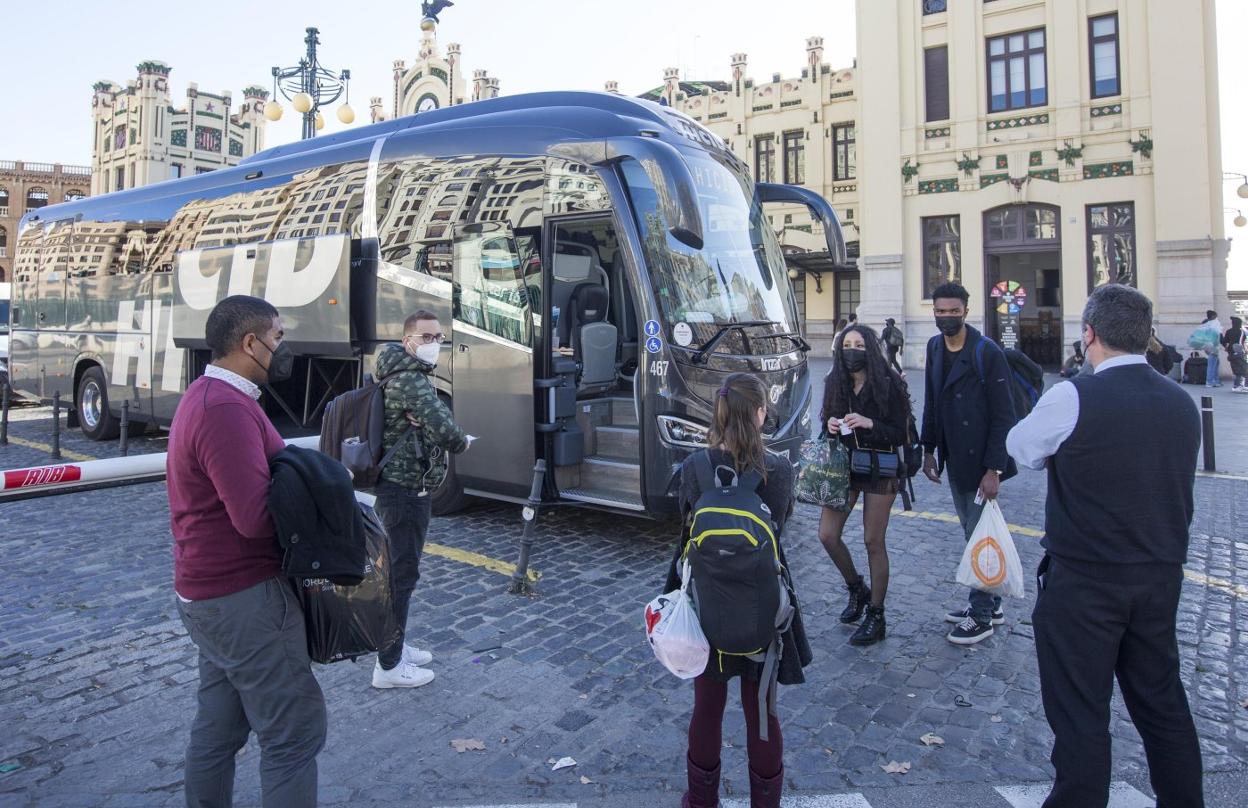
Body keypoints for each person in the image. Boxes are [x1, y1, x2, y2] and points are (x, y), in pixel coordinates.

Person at [1006, 284, 1204, 808]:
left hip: (1086, 578)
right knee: (1163, 706)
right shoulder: (1181, 403)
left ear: (1088, 334)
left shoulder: (1073, 395)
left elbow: (1022, 449)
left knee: (1080, 713)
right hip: (1159, 574)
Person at [167, 295, 326, 807]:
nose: (283, 348)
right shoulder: (224, 410)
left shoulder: (215, 396)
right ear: (251, 343)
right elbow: (255, 518)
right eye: (277, 337)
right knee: (292, 737)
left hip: (213, 596)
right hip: (244, 600)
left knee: (219, 730)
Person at [666, 373, 812, 808]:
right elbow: (780, 525)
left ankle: (700, 800)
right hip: (761, 612)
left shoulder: (694, 467)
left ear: (720, 414)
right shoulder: (780, 471)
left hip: (707, 607)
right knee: (763, 713)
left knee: (707, 708)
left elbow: (685, 525)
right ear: (762, 414)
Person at [371, 309, 470, 689]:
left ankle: (395, 646)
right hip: (404, 490)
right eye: (427, 337)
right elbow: (451, 436)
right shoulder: (412, 382)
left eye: (439, 337)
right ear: (408, 340)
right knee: (401, 574)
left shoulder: (398, 373)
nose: (434, 344)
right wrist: (451, 433)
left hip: (400, 487)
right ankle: (389, 667)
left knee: (401, 571)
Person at [919, 282, 1018, 645]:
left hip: (981, 462)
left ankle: (981, 615)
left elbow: (1003, 415)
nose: (946, 317)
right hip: (953, 456)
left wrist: (994, 469)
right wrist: (928, 449)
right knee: (973, 532)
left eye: (953, 311)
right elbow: (932, 400)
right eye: (940, 311)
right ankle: (990, 603)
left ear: (965, 310)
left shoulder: (986, 352)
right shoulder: (934, 347)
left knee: (980, 536)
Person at [817, 326, 912, 646]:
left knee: (874, 541)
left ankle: (876, 613)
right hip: (845, 466)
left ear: (870, 348)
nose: (852, 350)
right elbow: (827, 422)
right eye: (846, 345)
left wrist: (871, 424)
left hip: (881, 468)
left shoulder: (890, 383)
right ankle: (857, 587)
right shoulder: (835, 380)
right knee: (828, 535)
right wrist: (831, 425)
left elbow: (901, 433)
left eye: (858, 344)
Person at [1221, 315, 1247, 392]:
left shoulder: (1228, 331)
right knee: (1245, 369)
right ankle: (1246, 386)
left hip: (1231, 353)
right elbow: (1243, 342)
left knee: (1236, 370)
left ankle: (1236, 386)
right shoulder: (1242, 331)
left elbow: (1224, 341)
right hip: (1239, 353)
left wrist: (1227, 348)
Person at [1201, 309, 1223, 387]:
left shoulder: (1207, 324)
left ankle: (1216, 380)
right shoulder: (1213, 325)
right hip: (1213, 346)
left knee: (1216, 363)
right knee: (1212, 364)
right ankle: (1210, 381)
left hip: (1209, 345)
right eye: (1216, 316)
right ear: (1213, 316)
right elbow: (1218, 335)